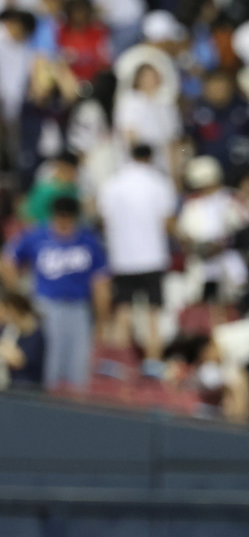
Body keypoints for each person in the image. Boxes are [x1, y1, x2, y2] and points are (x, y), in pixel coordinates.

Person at [0, 196, 109, 390]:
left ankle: (76, 412)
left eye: (68, 218)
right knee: (48, 366)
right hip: (46, 307)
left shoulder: (88, 241)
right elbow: (7, 260)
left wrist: (101, 318)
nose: (64, 222)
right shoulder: (38, 236)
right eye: (60, 217)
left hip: (78, 308)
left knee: (78, 367)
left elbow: (100, 283)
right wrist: (21, 292)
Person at [96, 143, 177, 376]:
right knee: (153, 312)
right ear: (149, 157)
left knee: (122, 310)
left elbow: (104, 219)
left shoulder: (112, 184)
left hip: (123, 258)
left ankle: (119, 362)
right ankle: (153, 361)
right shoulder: (159, 182)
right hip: (152, 257)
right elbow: (167, 221)